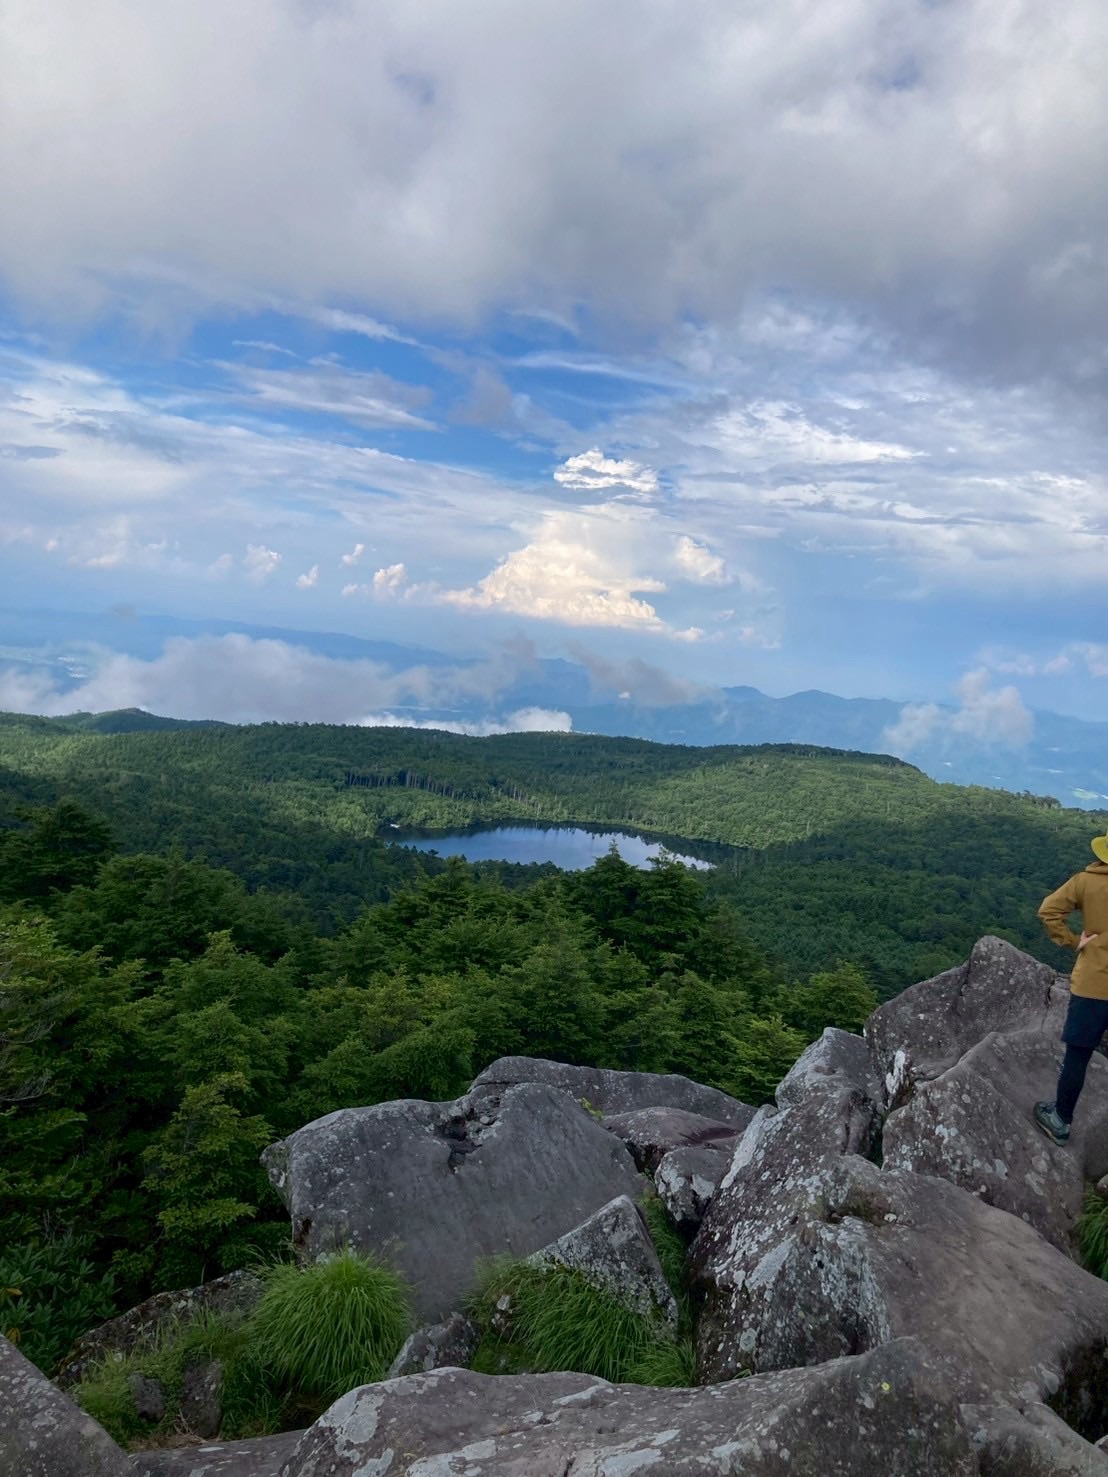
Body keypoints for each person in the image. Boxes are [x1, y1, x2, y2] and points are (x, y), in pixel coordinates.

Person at [1034, 830, 1108, 1145]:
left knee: (1078, 1056)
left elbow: (1048, 911)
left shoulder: (1085, 882)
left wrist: (1074, 941)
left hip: (1093, 984)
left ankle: (1061, 1121)